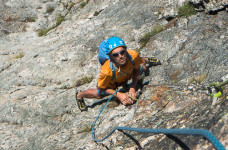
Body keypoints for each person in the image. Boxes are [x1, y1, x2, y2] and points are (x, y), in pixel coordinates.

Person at [76, 37, 161, 111]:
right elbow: (101, 87)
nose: (120, 56)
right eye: (116, 55)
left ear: (125, 51)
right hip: (114, 77)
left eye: (122, 52)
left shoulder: (133, 55)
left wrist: (132, 87)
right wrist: (118, 94)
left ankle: (145, 59)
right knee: (99, 95)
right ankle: (79, 95)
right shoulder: (106, 71)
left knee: (143, 67)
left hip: (126, 71)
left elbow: (137, 70)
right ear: (111, 57)